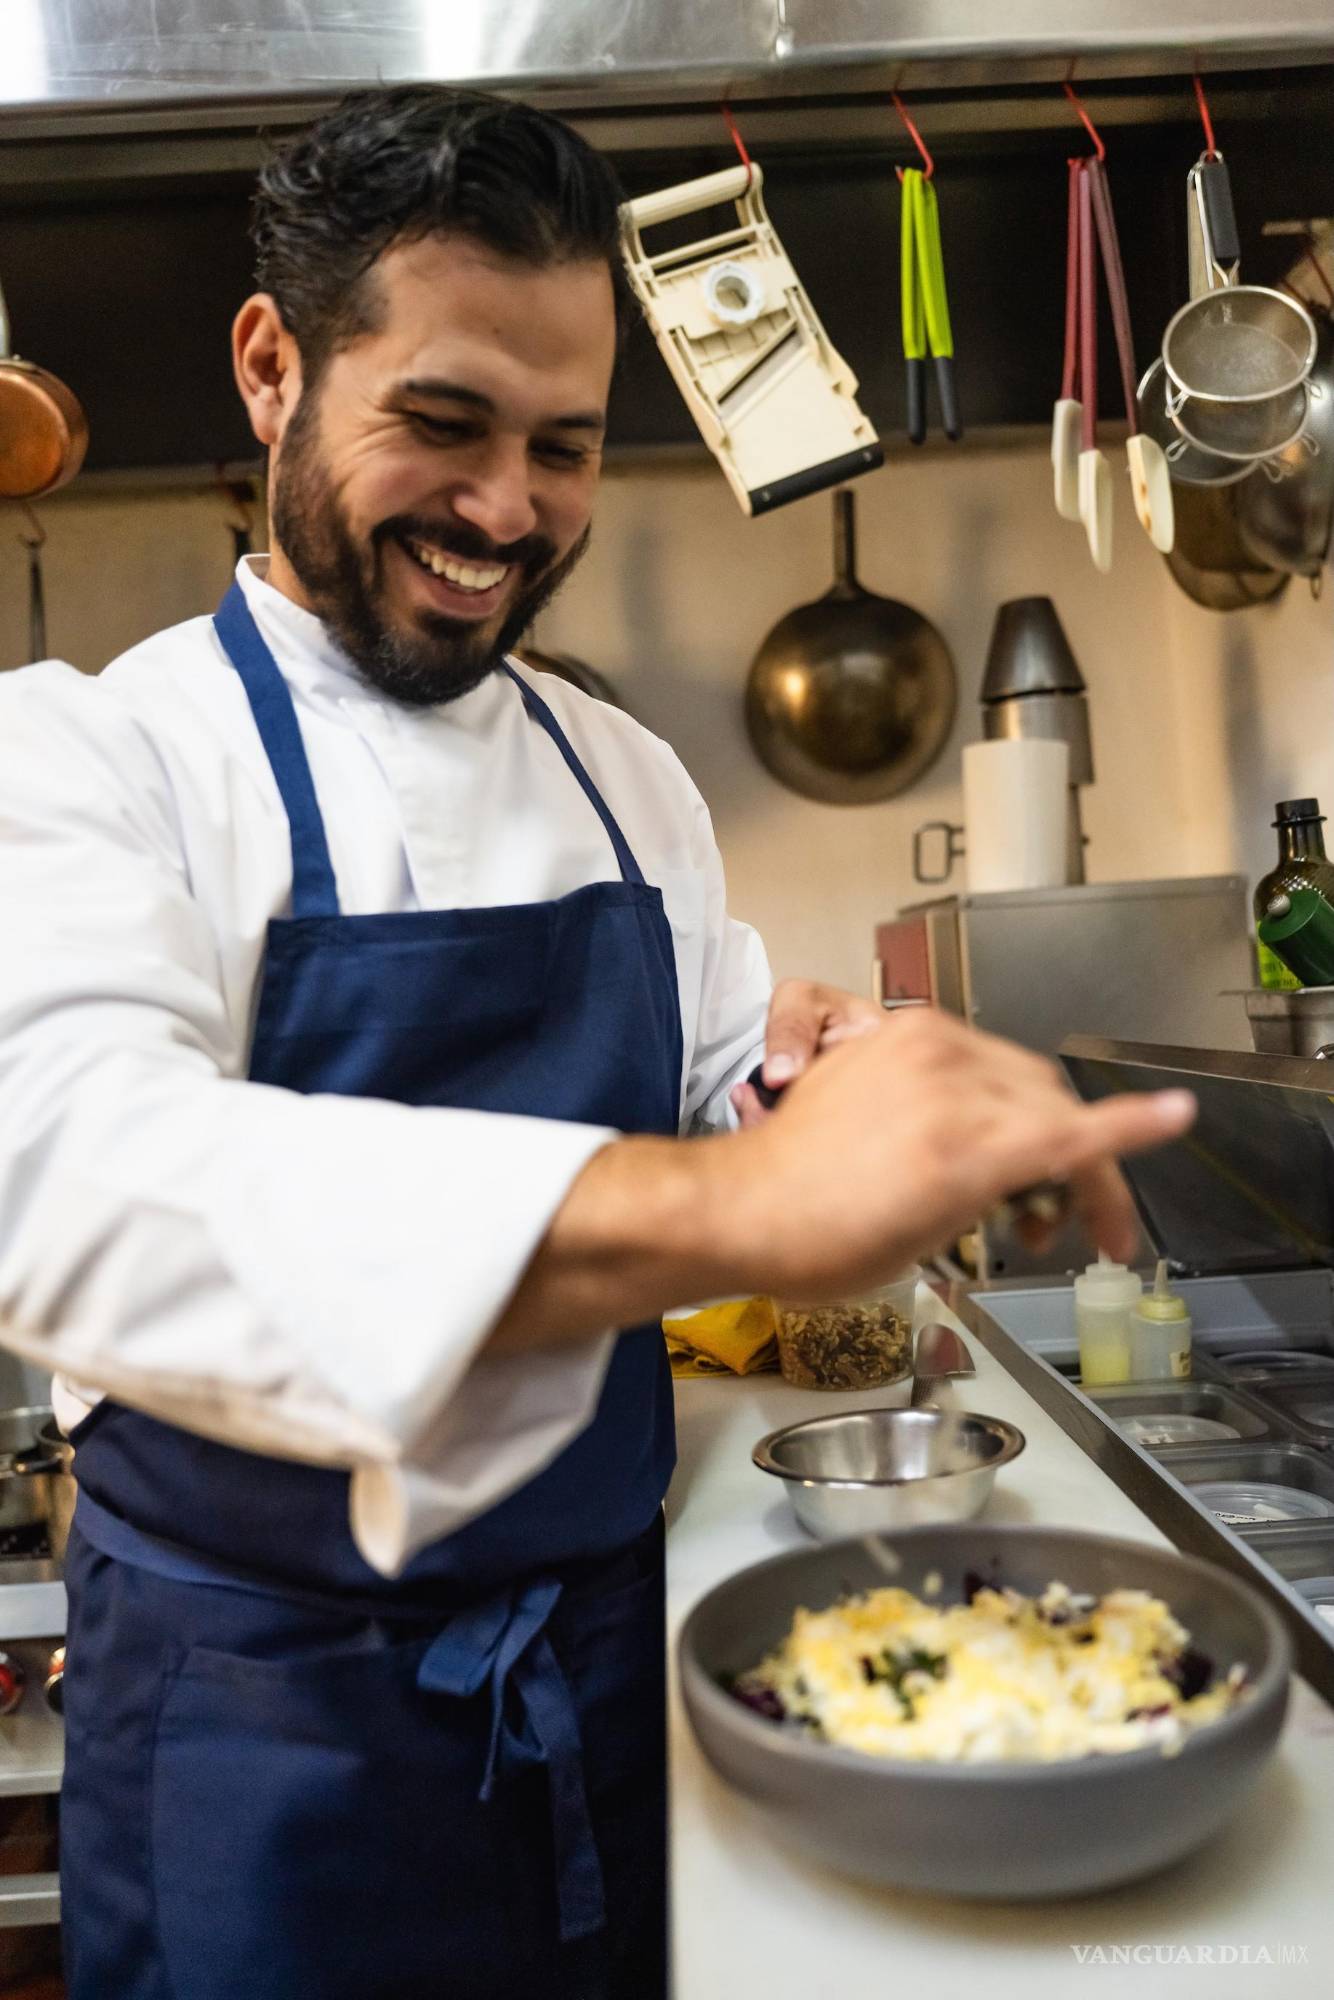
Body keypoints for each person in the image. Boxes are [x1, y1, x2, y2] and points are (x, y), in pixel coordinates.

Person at [0, 86, 1194, 2000]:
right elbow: (79, 1186)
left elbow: (727, 1059)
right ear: (267, 365)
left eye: (564, 448)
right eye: (443, 425)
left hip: (605, 1657)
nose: (507, 514)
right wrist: (739, 1210)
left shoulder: (619, 769)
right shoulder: (91, 758)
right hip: (259, 1724)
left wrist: (863, 1080)